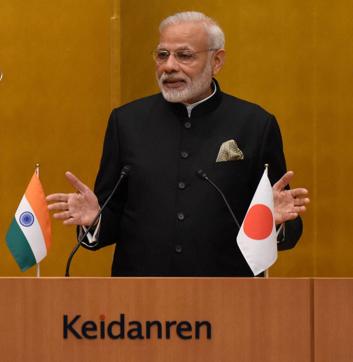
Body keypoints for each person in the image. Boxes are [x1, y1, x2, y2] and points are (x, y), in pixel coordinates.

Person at [47, 11, 309, 277]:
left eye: (184, 56)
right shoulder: (126, 122)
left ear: (216, 61)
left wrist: (274, 223)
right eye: (162, 55)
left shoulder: (255, 124)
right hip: (140, 296)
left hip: (228, 293)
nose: (169, 66)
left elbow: (284, 224)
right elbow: (111, 212)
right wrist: (96, 220)